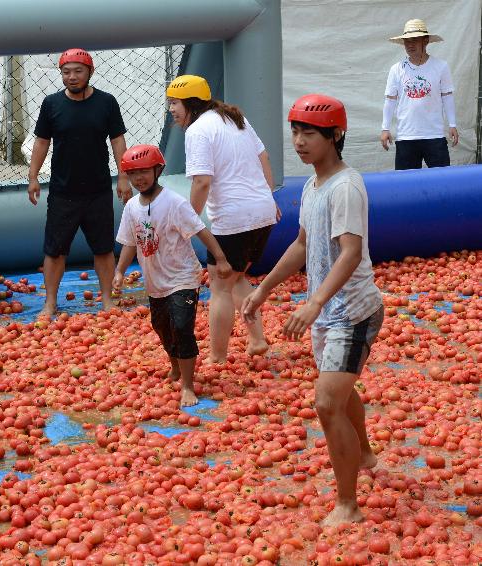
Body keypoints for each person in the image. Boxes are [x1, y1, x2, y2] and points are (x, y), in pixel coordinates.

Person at [243, 94, 384, 527]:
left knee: (326, 404)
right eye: (296, 132)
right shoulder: (312, 185)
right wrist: (262, 289)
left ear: (335, 135)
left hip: (353, 312)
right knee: (339, 392)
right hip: (329, 313)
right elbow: (303, 245)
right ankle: (362, 451)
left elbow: (349, 252)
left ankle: (348, 505)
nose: (300, 141)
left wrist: (315, 301)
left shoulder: (345, 186)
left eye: (310, 133)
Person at [166, 75, 277, 364]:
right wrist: (269, 196)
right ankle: (257, 340)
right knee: (235, 278)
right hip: (263, 213)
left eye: (174, 103)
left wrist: (187, 222)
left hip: (235, 217)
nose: (171, 110)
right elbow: (263, 156)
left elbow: (202, 181)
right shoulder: (234, 118)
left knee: (219, 287)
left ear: (190, 102)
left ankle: (216, 357)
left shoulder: (198, 130)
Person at [113, 144, 232, 407]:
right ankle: (175, 365)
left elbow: (200, 230)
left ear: (158, 170)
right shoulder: (132, 207)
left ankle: (188, 385)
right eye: (133, 174)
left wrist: (221, 259)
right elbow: (130, 242)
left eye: (144, 171)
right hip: (155, 281)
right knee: (162, 328)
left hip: (183, 277)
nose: (139, 178)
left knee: (181, 327)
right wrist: (119, 271)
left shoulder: (174, 203)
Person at [28, 48, 130, 317]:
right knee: (54, 250)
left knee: (104, 248)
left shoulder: (107, 102)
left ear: (90, 72)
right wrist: (33, 177)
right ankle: (50, 302)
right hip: (63, 192)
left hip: (98, 190)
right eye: (66, 72)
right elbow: (41, 141)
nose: (72, 77)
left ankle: (107, 300)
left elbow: (117, 139)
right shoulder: (51, 104)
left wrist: (123, 176)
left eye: (78, 71)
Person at [381, 18, 458, 169]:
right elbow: (390, 100)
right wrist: (385, 128)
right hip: (406, 136)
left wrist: (452, 124)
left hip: (434, 135)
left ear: (426, 41)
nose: (410, 44)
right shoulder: (396, 69)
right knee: (406, 185)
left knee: (442, 182)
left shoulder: (441, 66)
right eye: (407, 41)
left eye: (415, 40)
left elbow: (447, 97)